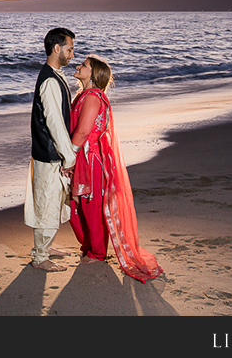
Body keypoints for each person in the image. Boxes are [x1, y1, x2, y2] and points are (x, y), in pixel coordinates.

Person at [68, 54, 163, 283]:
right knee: (75, 205)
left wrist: (67, 157)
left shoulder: (92, 97)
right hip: (83, 155)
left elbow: (83, 132)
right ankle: (90, 246)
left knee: (90, 205)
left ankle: (97, 252)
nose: (79, 66)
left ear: (94, 74)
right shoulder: (83, 95)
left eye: (85, 65)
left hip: (89, 159)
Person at [24, 27, 78, 272]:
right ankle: (40, 257)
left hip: (50, 153)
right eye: (70, 49)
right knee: (46, 203)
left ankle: (48, 247)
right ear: (57, 49)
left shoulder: (54, 74)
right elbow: (55, 123)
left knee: (54, 201)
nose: (72, 55)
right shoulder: (49, 80)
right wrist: (69, 157)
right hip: (48, 155)